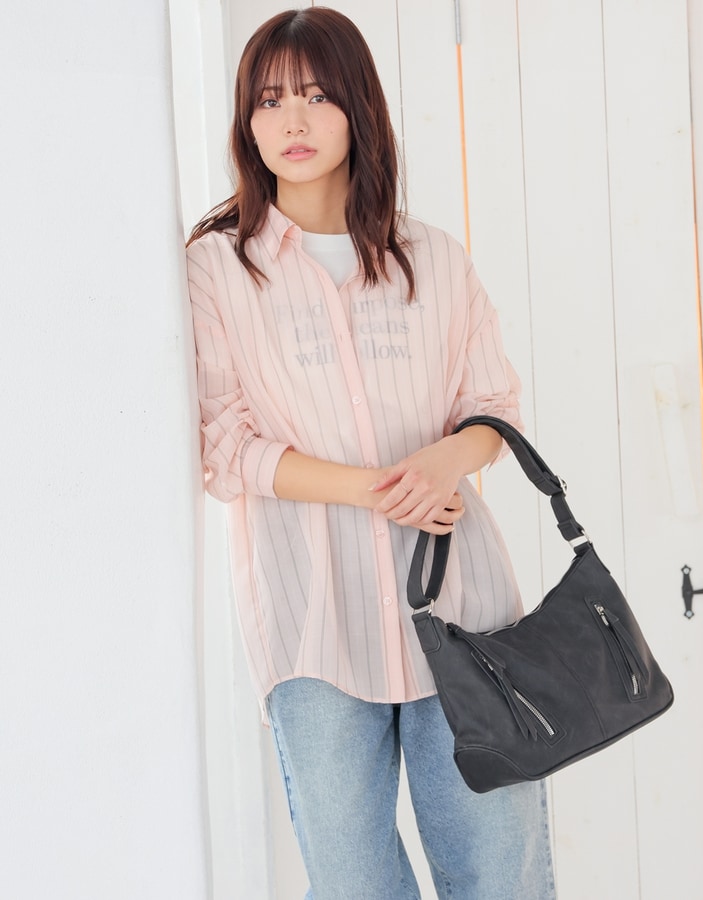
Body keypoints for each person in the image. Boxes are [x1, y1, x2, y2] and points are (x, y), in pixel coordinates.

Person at [186, 7, 555, 899]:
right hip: (313, 624)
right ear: (247, 122)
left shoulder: (435, 257)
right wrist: (378, 488)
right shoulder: (216, 270)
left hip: (464, 613)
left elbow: (492, 409)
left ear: (359, 108)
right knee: (352, 885)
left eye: (317, 95)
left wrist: (446, 462)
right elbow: (225, 446)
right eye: (270, 100)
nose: (293, 120)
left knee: (499, 878)